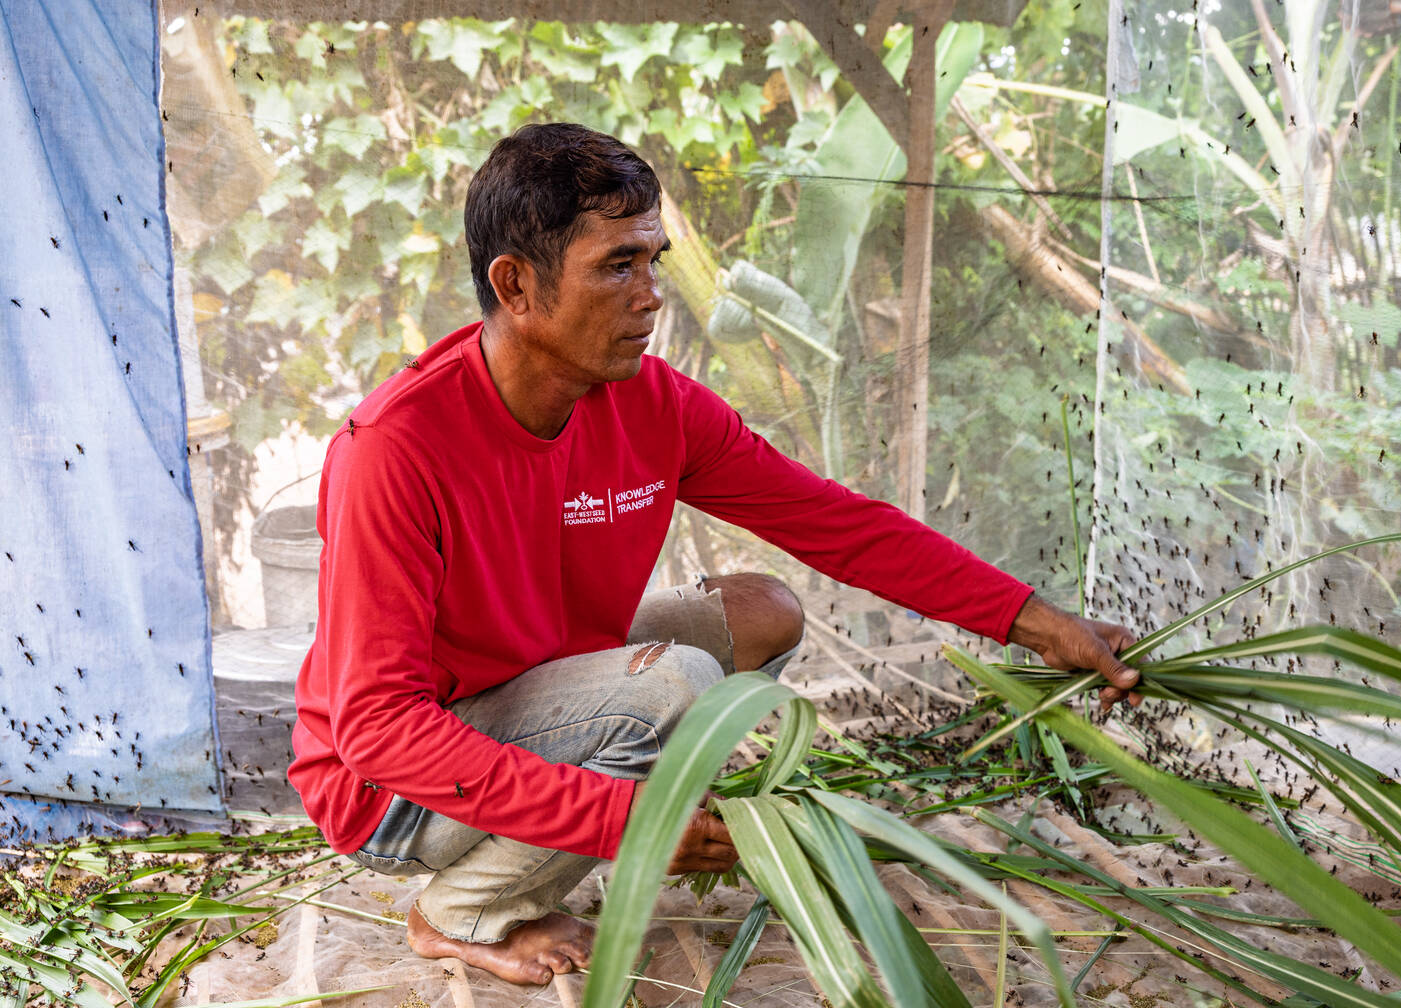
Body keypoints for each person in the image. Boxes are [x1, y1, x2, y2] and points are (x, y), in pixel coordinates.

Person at [288, 122, 1140, 986]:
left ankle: (552, 824)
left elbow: (837, 524)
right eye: (618, 265)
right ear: (516, 286)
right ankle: (464, 909)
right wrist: (623, 819)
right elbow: (379, 730)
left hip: (528, 684)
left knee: (763, 610)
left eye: (653, 260)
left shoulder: (653, 406)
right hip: (389, 794)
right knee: (675, 683)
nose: (652, 295)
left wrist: (1032, 621)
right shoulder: (395, 448)